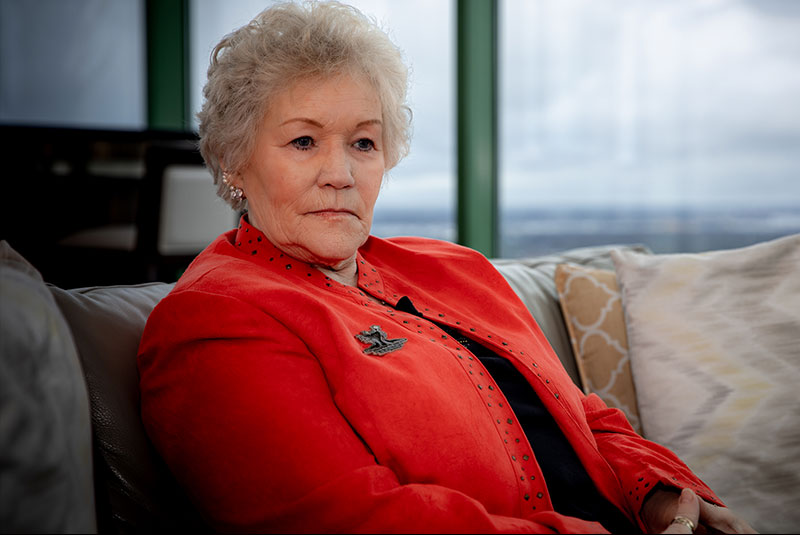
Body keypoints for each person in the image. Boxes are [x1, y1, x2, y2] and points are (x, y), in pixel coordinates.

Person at [137, 2, 757, 533]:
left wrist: (668, 499)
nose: (341, 173)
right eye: (304, 142)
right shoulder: (212, 320)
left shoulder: (457, 268)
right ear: (233, 163)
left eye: (363, 142)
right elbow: (355, 520)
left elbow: (585, 418)